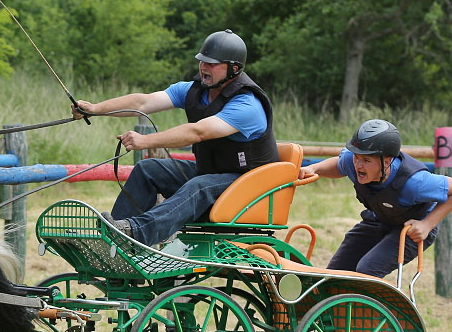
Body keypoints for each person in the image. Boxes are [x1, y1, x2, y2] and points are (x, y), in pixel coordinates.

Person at [72, 29, 279, 246]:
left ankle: (132, 235)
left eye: (212, 63)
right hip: (212, 175)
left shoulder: (248, 105)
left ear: (234, 69)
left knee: (198, 186)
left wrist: (146, 141)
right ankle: (112, 239)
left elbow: (198, 132)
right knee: (148, 169)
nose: (203, 67)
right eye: (202, 61)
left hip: (248, 187)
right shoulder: (192, 90)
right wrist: (95, 108)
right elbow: (142, 103)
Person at [298, 119, 452, 278]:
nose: (358, 165)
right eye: (356, 157)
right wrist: (314, 168)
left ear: (386, 162)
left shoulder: (415, 182)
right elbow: (339, 164)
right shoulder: (354, 161)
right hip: (379, 218)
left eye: (366, 160)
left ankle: (368, 302)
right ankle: (338, 301)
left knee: (367, 269)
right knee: (335, 273)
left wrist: (427, 224)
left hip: (412, 228)